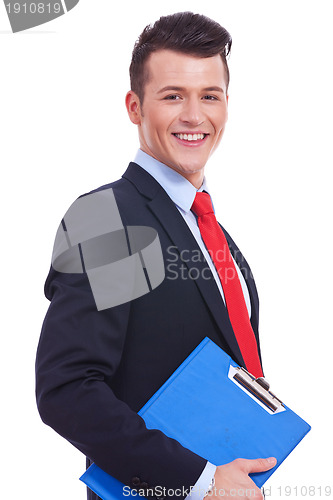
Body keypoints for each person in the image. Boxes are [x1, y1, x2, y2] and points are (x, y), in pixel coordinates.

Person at [35, 11, 276, 500]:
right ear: (134, 106)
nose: (194, 116)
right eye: (172, 96)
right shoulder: (108, 218)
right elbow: (67, 390)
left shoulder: (216, 236)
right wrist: (198, 482)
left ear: (227, 105)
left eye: (209, 96)